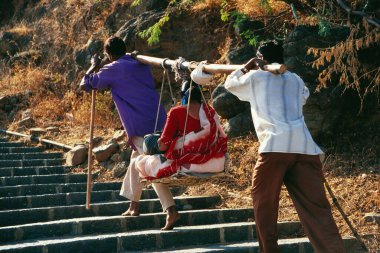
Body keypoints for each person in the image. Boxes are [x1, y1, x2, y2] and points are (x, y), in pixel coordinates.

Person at [224, 41, 345, 253]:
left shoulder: (255, 77)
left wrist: (246, 67)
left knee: (264, 204)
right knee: (317, 209)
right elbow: (304, 97)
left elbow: (230, 85)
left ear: (261, 58)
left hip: (275, 148)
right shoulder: (296, 80)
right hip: (305, 148)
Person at [79, 36, 178, 230]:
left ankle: (171, 210)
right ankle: (134, 205)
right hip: (158, 118)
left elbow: (86, 85)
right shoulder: (139, 63)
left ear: (109, 55)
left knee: (150, 165)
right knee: (136, 160)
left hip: (141, 126)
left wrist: (93, 65)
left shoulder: (112, 69)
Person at [135, 78, 228, 180]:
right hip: (215, 162)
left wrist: (159, 144)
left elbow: (163, 146)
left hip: (186, 163)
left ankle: (130, 195)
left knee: (142, 158)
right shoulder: (210, 113)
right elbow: (221, 139)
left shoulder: (176, 112)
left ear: (184, 96)